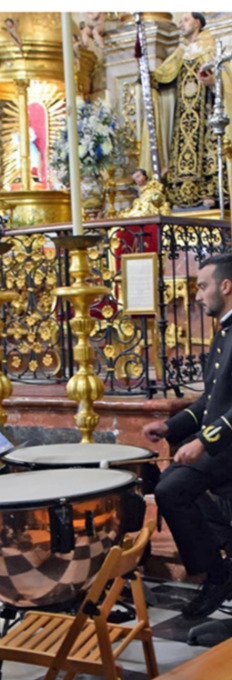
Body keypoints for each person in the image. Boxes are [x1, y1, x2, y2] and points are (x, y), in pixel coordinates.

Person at [143, 252, 232, 618]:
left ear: (226, 286)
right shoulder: (225, 330)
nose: (197, 295)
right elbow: (211, 399)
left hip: (228, 447)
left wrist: (203, 442)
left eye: (203, 286)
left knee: (171, 488)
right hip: (222, 445)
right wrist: (172, 427)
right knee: (169, 483)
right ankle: (222, 559)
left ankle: (217, 573)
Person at [140, 12, 232, 209]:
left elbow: (225, 79)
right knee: (181, 154)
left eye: (185, 20)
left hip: (206, 112)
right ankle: (181, 195)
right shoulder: (180, 52)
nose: (181, 24)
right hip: (183, 117)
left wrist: (213, 83)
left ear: (197, 22)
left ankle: (210, 194)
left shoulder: (211, 46)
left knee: (208, 151)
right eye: (180, 21)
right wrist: (148, 76)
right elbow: (165, 76)